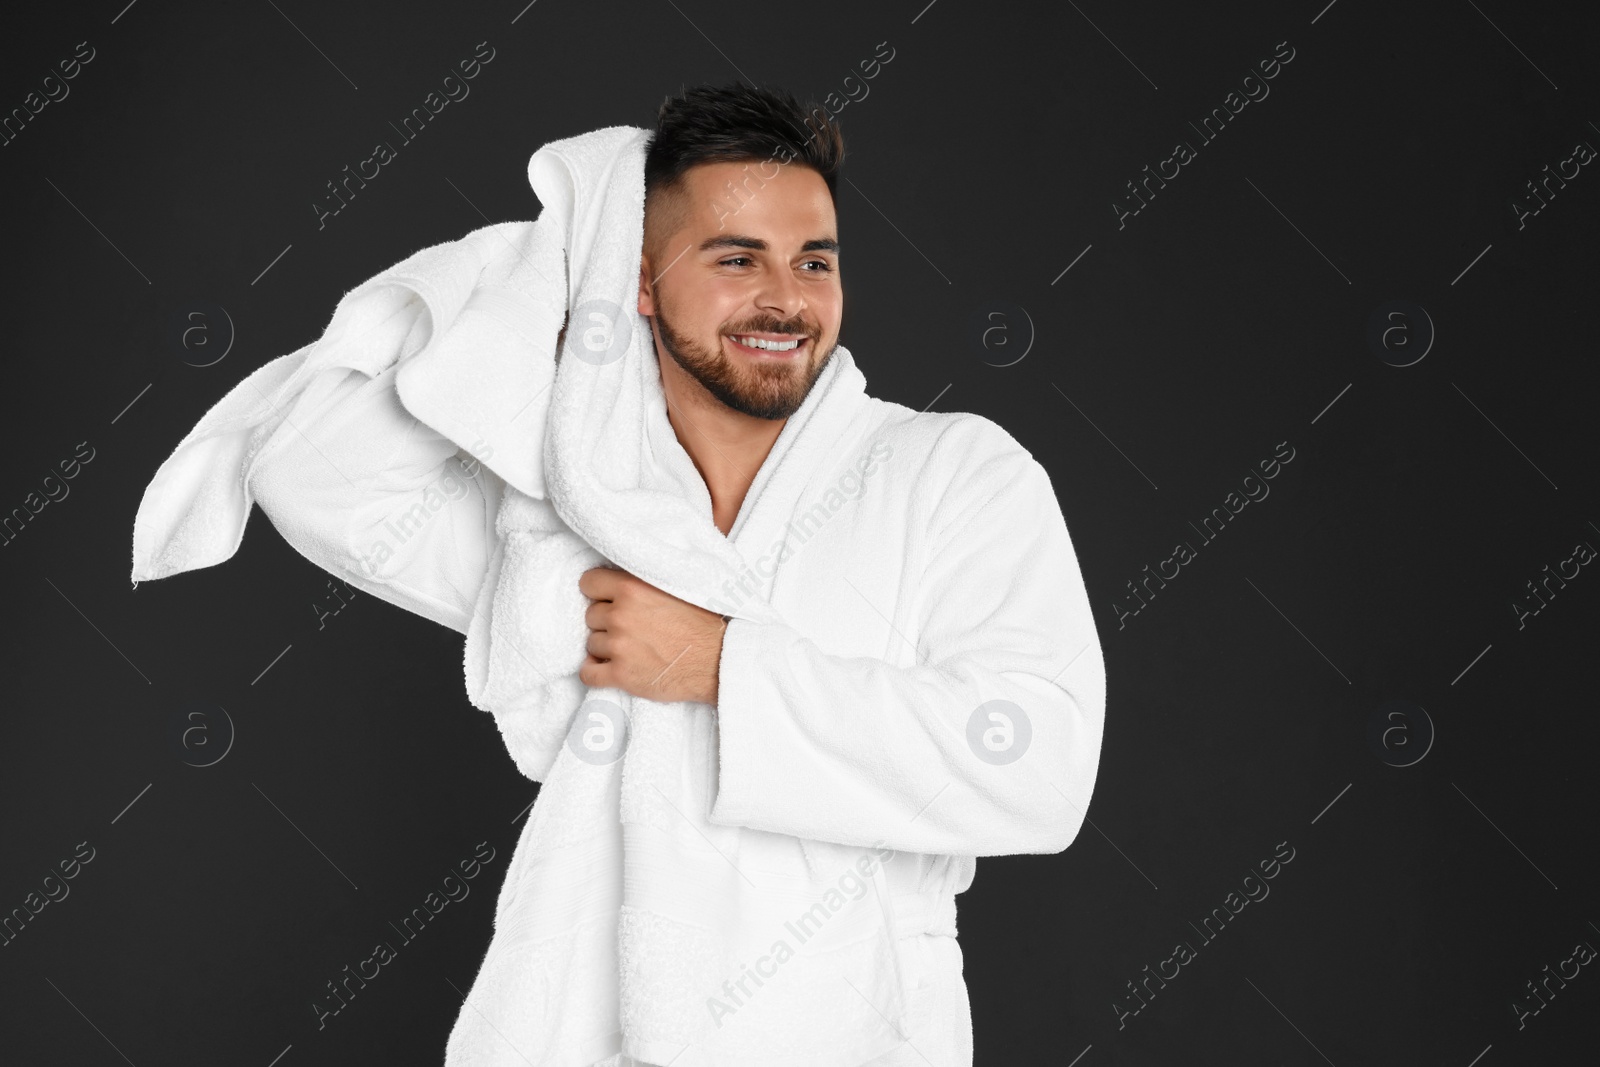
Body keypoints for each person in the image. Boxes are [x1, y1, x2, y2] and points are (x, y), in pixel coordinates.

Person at [238, 83, 1106, 1066]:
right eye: (736, 258)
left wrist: (717, 664)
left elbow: (1040, 764)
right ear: (638, 281)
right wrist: (538, 275)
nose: (785, 297)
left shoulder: (951, 473)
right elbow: (307, 463)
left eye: (812, 261)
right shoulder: (578, 515)